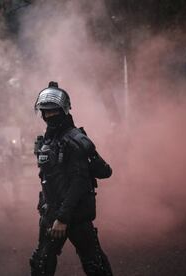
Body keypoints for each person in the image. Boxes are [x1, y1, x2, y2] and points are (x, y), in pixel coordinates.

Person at [30, 82, 113, 276]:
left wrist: (62, 218)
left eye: (53, 112)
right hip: (52, 215)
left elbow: (79, 183)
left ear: (64, 110)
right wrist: (46, 207)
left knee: (95, 265)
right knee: (41, 264)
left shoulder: (74, 140)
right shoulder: (49, 140)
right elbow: (49, 179)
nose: (48, 116)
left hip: (74, 217)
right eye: (45, 112)